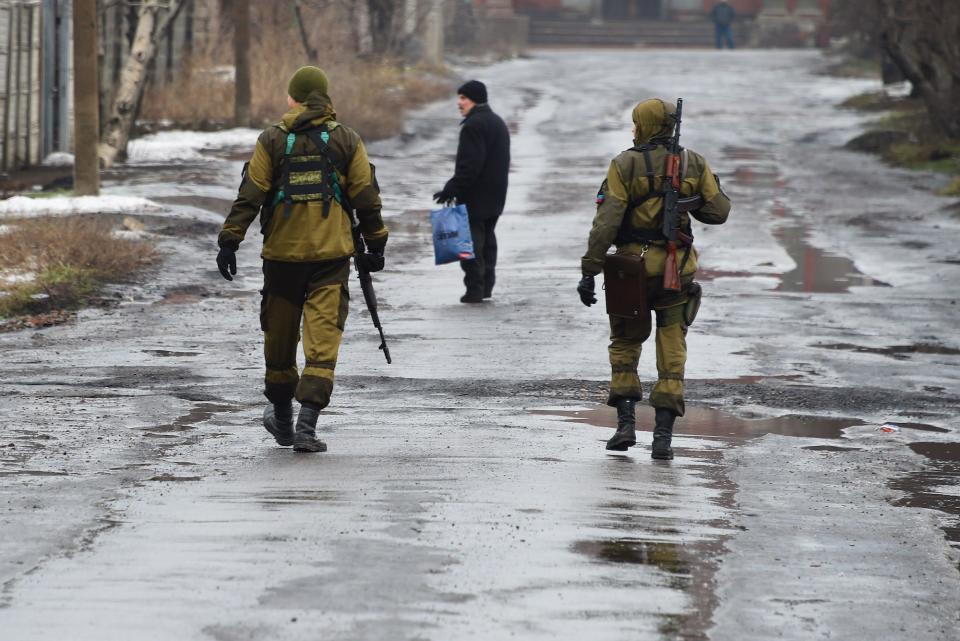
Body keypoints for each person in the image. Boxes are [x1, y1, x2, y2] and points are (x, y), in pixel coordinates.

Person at [216, 66, 388, 453]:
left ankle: (281, 417)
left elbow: (251, 193)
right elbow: (366, 197)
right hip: (330, 259)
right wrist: (376, 244)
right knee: (323, 341)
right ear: (324, 98)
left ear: (294, 98)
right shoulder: (346, 140)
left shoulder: (272, 140)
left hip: (281, 260)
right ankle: (307, 427)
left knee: (278, 340)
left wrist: (230, 241)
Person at [577, 99, 731, 460]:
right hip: (675, 270)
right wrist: (707, 188)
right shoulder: (693, 161)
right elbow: (718, 212)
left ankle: (626, 424)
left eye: (636, 123)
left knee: (625, 342)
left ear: (645, 125)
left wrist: (590, 269)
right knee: (672, 348)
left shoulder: (624, 164)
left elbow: (607, 222)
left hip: (630, 268)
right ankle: (663, 437)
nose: (633, 130)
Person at [433, 80, 510, 303]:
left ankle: (475, 289)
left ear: (474, 100)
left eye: (463, 98)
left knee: (471, 245)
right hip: (496, 196)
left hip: (476, 197)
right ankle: (486, 287)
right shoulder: (497, 122)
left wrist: (452, 188)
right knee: (487, 242)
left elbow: (470, 165)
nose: (459, 103)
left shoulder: (474, 125)